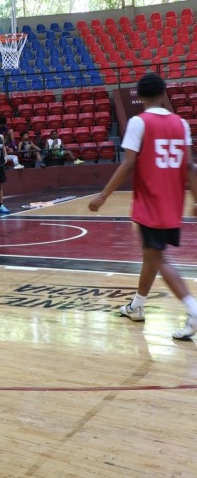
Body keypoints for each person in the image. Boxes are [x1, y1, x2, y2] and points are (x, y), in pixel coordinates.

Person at [89, 73, 197, 340]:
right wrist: (196, 199)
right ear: (164, 93)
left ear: (139, 95)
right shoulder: (181, 123)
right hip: (173, 203)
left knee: (158, 259)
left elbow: (128, 164)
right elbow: (189, 166)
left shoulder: (139, 122)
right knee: (152, 256)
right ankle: (137, 306)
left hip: (150, 203)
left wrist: (103, 196)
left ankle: (193, 309)